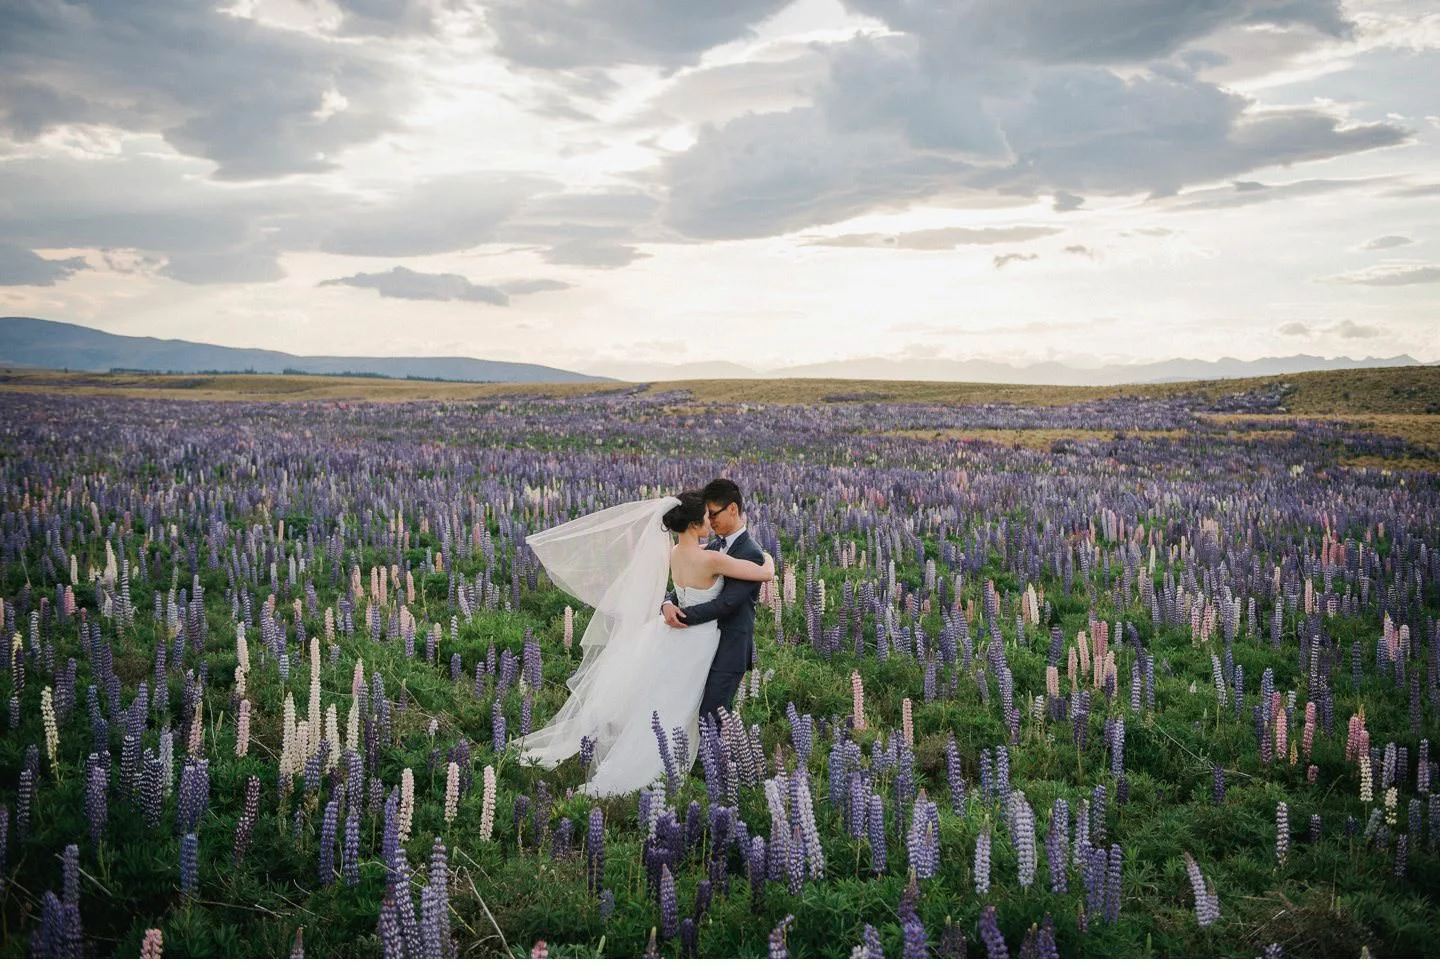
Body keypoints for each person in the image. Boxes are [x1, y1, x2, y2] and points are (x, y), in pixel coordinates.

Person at [515, 490, 773, 797]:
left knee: (662, 702)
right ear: (693, 525)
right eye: (705, 517)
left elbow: (677, 591)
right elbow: (764, 573)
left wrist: (667, 606)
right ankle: (665, 767)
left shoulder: (674, 555)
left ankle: (641, 756)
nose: (709, 521)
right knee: (682, 706)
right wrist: (768, 557)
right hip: (699, 640)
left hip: (672, 635)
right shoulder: (712, 558)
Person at [661, 478, 764, 724]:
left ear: (733, 509)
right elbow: (689, 585)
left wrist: (681, 615)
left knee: (711, 716)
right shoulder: (713, 546)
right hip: (698, 645)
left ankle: (721, 762)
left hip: (729, 649)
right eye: (706, 514)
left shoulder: (752, 554)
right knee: (687, 712)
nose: (710, 519)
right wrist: (667, 603)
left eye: (713, 513)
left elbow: (726, 604)